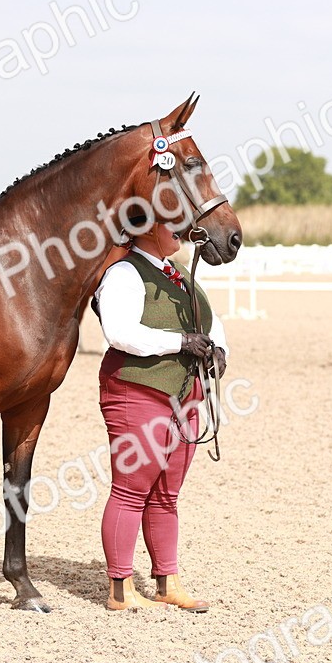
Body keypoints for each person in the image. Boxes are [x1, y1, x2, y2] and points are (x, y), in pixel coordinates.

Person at [94, 221, 228, 612]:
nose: (183, 231)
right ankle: (120, 589)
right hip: (138, 389)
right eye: (173, 225)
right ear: (147, 228)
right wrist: (181, 342)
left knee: (167, 494)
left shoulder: (183, 274)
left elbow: (212, 321)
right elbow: (119, 331)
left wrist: (219, 350)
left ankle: (167, 581)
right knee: (131, 488)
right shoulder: (124, 273)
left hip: (185, 394)